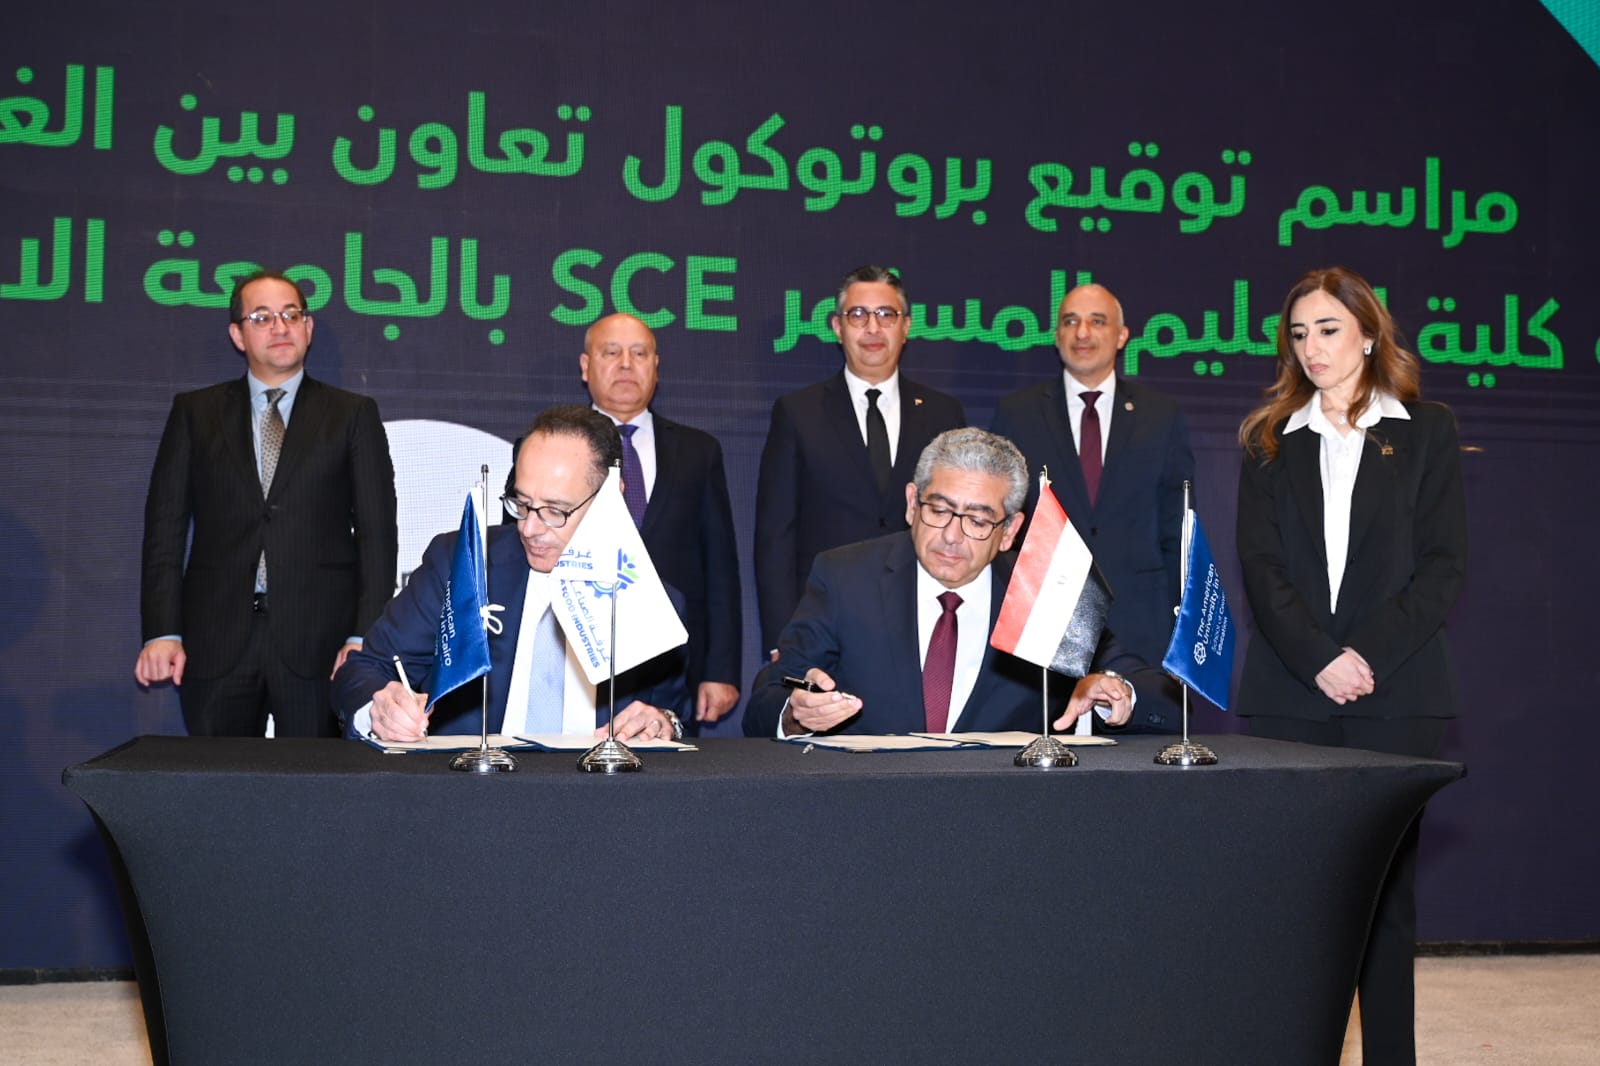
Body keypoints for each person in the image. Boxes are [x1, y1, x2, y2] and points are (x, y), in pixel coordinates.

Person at [1235, 266, 1467, 1066]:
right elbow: (1261, 569)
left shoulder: (1426, 430)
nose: (1313, 347)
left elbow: (1443, 566)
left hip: (1395, 693)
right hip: (1291, 693)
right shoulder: (1268, 438)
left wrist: (1363, 656)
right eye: (1299, 333)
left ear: (1368, 334)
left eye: (1329, 329)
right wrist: (1320, 660)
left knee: (1386, 904)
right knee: (1293, 902)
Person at [744, 427, 1165, 738]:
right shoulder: (845, 578)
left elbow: (1157, 693)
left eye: (978, 520)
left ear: (1010, 530)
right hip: (868, 808)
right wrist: (795, 713)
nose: (951, 535)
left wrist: (1115, 691)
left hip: (1002, 815)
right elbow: (769, 696)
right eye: (939, 510)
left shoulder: (1043, 592)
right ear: (912, 504)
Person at [136, 269, 397, 737]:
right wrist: (163, 630)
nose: (280, 327)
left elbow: (377, 535)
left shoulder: (352, 415)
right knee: (218, 778)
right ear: (237, 335)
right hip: (215, 641)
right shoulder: (195, 413)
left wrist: (364, 637)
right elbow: (165, 529)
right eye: (262, 317)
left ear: (308, 328)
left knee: (314, 779)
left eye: (291, 315)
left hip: (320, 645)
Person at [334, 405, 687, 743]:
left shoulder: (655, 607)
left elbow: (669, 714)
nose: (530, 528)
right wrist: (379, 708)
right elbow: (364, 670)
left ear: (612, 497)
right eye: (521, 504)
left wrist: (662, 722)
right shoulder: (463, 565)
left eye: (555, 511)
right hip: (470, 780)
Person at [754, 265, 965, 656]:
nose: (872, 327)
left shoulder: (943, 413)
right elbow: (775, 538)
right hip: (824, 620)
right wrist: (784, 638)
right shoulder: (797, 412)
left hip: (920, 618)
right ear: (838, 327)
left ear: (906, 327)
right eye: (858, 315)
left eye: (886, 315)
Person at [991, 283, 1193, 678]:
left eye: (1097, 322)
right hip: (1045, 622)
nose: (1082, 333)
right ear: (1056, 335)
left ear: (1122, 335)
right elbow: (1002, 525)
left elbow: (1178, 533)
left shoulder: (1162, 417)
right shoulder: (1017, 413)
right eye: (1071, 322)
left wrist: (1180, 631)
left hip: (1141, 624)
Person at [579, 312, 742, 732]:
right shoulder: (554, 447)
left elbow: (720, 567)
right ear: (586, 366)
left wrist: (720, 669)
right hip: (577, 655)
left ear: (656, 366)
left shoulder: (699, 451)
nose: (626, 364)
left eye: (639, 353)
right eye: (611, 353)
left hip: (675, 662)